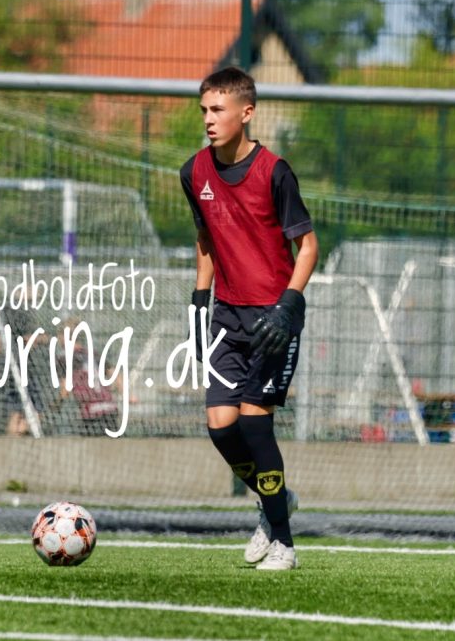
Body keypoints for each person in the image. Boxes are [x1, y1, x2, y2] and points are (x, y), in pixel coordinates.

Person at [180, 67, 318, 571]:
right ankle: (275, 498)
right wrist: (199, 300)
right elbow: (206, 241)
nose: (209, 119)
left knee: (255, 423)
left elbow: (308, 246)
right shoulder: (194, 172)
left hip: (272, 319)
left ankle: (284, 542)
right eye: (204, 110)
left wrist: (289, 304)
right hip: (226, 317)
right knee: (221, 427)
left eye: (218, 110)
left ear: (247, 113)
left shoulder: (275, 172)